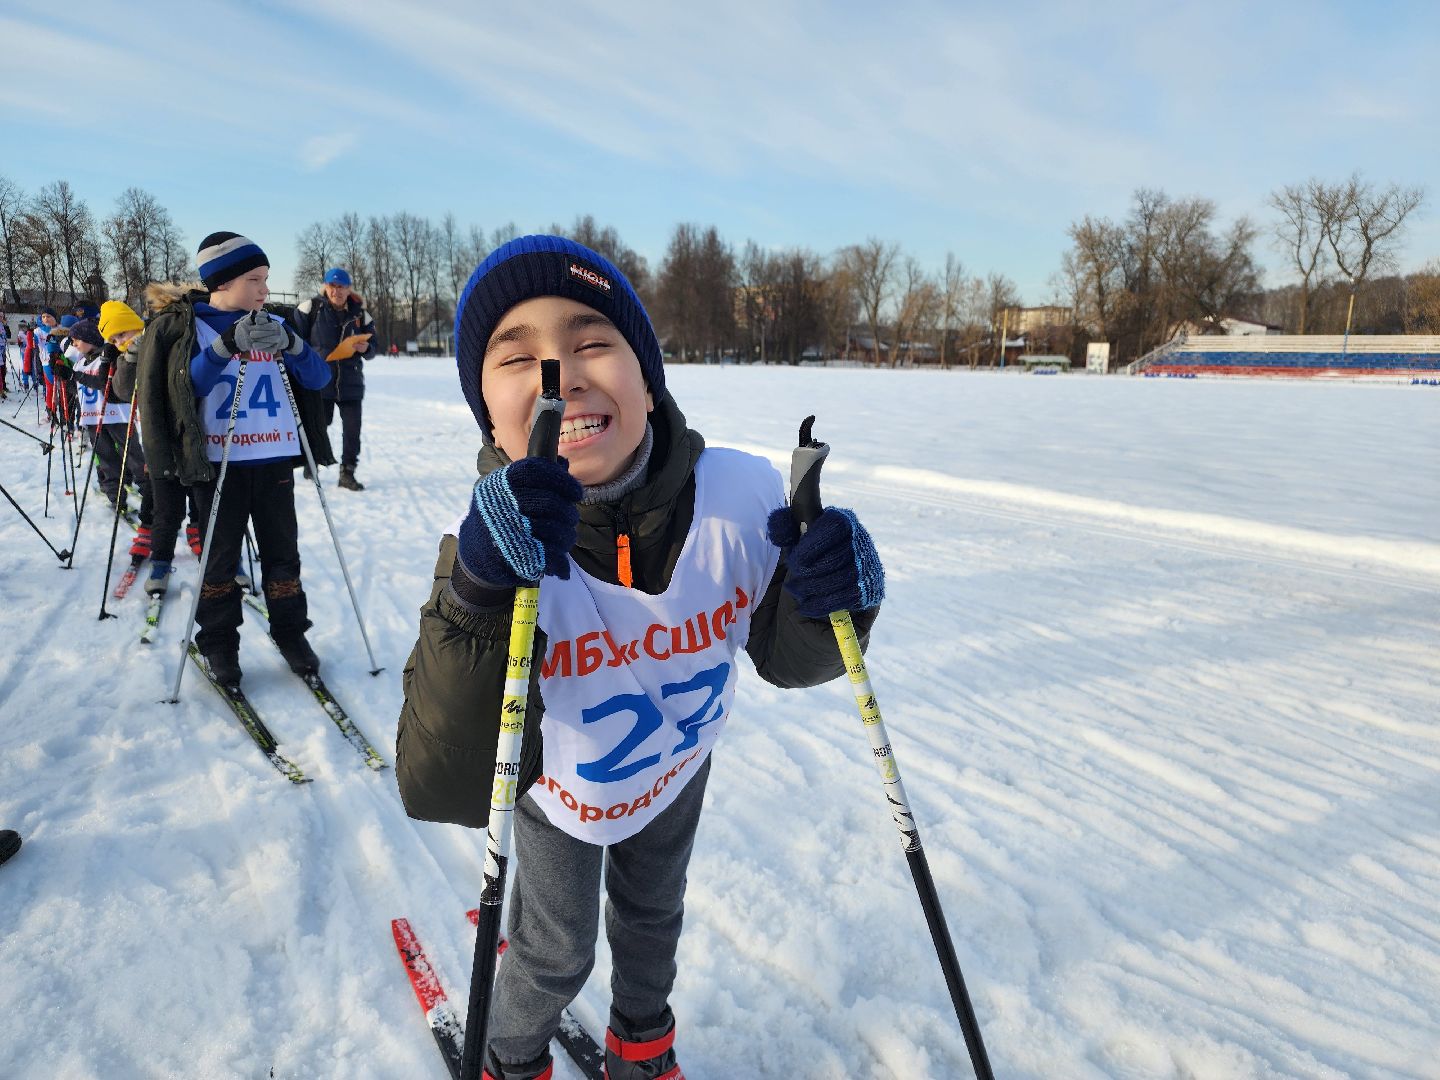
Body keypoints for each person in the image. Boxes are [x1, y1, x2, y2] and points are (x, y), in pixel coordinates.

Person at [395, 236, 885, 1080]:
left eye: (592, 343)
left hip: (677, 766)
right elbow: (443, 780)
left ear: (648, 382)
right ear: (487, 413)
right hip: (566, 794)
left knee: (655, 919)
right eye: (519, 357)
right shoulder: (500, 549)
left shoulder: (740, 499)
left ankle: (642, 1043)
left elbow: (787, 658)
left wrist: (837, 600)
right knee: (557, 951)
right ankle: (509, 1058)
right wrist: (476, 590)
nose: (563, 376)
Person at [135, 232, 335, 686]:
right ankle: (219, 642)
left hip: (273, 458)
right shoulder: (188, 325)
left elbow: (319, 376)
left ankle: (291, 633)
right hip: (218, 462)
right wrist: (226, 347)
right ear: (222, 283)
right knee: (220, 560)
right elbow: (184, 389)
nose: (265, 290)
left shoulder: (276, 321)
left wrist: (293, 345)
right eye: (254, 279)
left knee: (283, 555)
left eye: (266, 279)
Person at [65, 318, 154, 551]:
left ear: (89, 339)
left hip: (117, 415)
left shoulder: (108, 355)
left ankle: (150, 496)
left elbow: (102, 382)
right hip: (93, 418)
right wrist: (66, 378)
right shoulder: (79, 362)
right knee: (106, 460)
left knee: (133, 456)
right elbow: (80, 389)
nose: (73, 343)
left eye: (77, 339)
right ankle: (116, 497)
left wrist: (74, 377)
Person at [288, 267, 374, 491]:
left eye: (342, 286)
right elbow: (295, 342)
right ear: (325, 287)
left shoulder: (361, 315)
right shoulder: (310, 309)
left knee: (352, 430)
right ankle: (312, 461)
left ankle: (347, 472)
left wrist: (366, 347)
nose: (337, 291)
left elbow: (374, 348)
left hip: (351, 382)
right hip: (320, 381)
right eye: (332, 286)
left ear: (348, 289)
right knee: (318, 425)